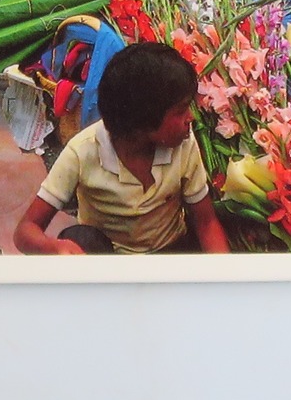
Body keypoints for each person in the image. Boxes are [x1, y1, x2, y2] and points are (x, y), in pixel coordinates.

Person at [15, 42, 230, 255]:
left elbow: (206, 223)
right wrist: (55, 248)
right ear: (143, 123)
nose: (190, 118)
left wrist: (224, 279)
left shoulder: (184, 143)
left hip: (170, 252)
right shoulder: (81, 152)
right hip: (110, 259)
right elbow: (25, 232)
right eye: (181, 110)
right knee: (81, 238)